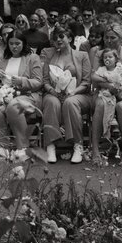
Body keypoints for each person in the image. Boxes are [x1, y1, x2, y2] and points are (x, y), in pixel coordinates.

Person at [88, 23, 122, 166]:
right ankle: (95, 150)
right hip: (103, 93)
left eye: (113, 37)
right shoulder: (99, 54)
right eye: (107, 37)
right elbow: (93, 76)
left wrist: (119, 86)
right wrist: (110, 85)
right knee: (100, 103)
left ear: (121, 38)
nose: (109, 41)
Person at [0, 30, 43, 161]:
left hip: (27, 95)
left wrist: (22, 81)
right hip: (4, 94)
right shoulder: (2, 59)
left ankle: (23, 147)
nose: (14, 46)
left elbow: (38, 82)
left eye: (17, 43)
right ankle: (2, 146)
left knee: (13, 106)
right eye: (11, 43)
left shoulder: (32, 58)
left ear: (24, 43)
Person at [40, 28, 92, 164]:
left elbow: (87, 82)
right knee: (51, 102)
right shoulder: (48, 54)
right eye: (55, 37)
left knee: (70, 102)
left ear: (70, 39)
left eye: (61, 36)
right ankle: (50, 145)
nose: (58, 40)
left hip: (78, 93)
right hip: (53, 92)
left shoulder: (82, 55)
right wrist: (53, 92)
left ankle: (78, 145)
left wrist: (73, 92)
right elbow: (44, 80)